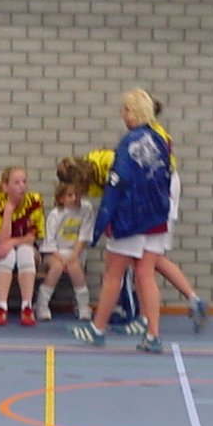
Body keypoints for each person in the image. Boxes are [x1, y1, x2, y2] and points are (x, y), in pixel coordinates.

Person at [57, 95, 209, 334]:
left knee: (136, 260)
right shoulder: (99, 163)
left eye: (126, 111)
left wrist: (112, 226)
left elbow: (123, 186)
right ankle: (179, 306)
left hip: (160, 189)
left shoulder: (131, 146)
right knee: (149, 260)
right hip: (153, 192)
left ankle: (133, 317)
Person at [69, 88, 172, 353]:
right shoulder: (159, 140)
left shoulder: (129, 143)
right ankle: (153, 334)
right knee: (146, 275)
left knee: (113, 274)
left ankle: (97, 328)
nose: (122, 114)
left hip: (131, 218)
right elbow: (167, 175)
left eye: (125, 109)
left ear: (133, 111)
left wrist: (103, 222)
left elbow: (117, 184)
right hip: (157, 217)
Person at [0, 165, 45, 326]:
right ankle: (1, 307)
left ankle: (27, 307)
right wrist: (8, 212)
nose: (22, 186)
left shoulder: (34, 201)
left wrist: (12, 242)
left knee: (25, 251)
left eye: (24, 182)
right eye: (17, 183)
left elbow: (32, 237)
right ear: (5, 186)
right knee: (7, 253)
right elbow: (1, 241)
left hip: (28, 250)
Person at [34, 181, 94, 321]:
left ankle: (83, 305)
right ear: (61, 198)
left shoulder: (86, 209)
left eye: (77, 194)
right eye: (70, 195)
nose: (75, 198)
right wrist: (62, 259)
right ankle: (42, 304)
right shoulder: (55, 214)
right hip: (55, 253)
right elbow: (50, 242)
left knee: (75, 267)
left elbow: (84, 236)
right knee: (56, 267)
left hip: (75, 252)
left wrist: (73, 256)